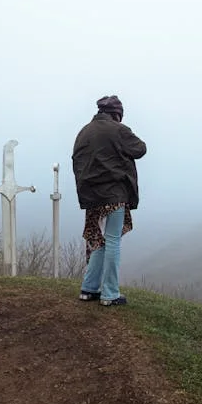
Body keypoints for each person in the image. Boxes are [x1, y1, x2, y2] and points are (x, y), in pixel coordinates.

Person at [72, 95, 147, 306]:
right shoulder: (118, 130)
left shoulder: (84, 132)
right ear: (117, 114)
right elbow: (140, 149)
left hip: (91, 196)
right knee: (112, 239)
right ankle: (110, 293)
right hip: (113, 194)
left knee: (98, 240)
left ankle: (88, 289)